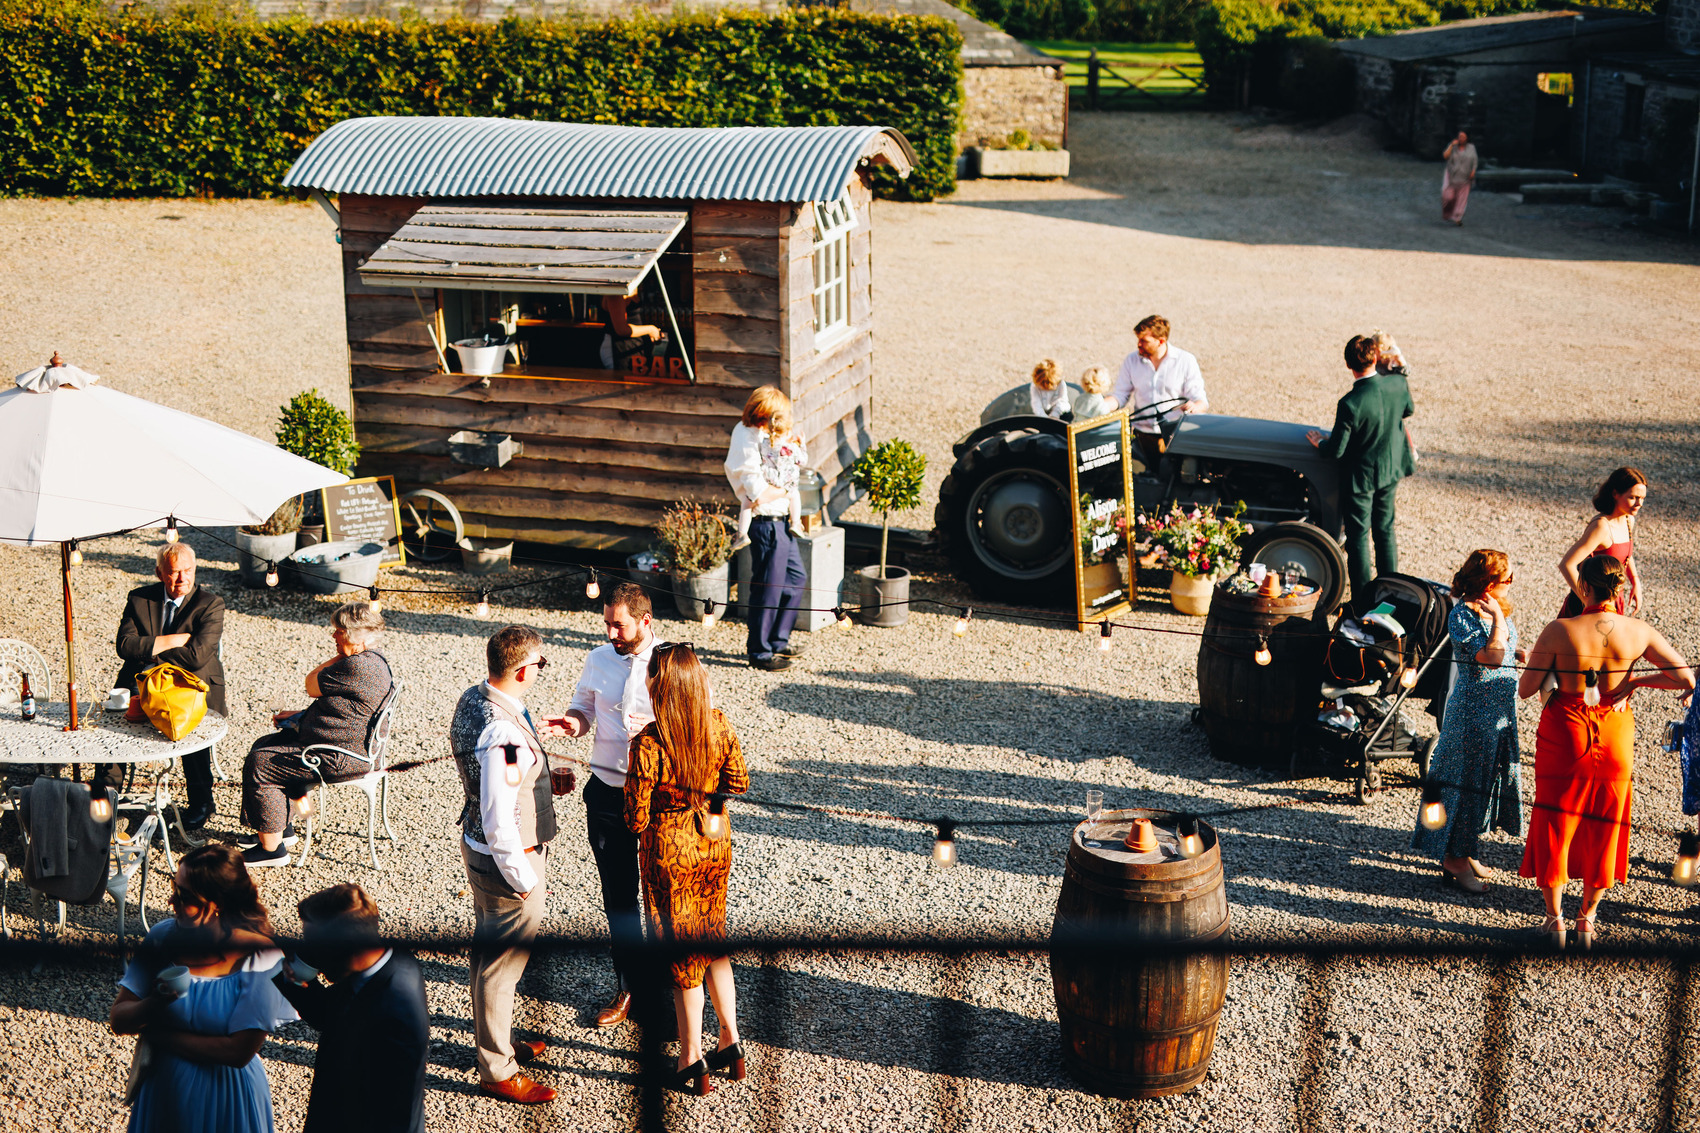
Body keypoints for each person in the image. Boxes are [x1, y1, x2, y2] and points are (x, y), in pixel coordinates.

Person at [1517, 555, 1694, 949]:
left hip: (1566, 729)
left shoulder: (1560, 630)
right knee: (1606, 822)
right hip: (1615, 733)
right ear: (1620, 589)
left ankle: (1554, 921)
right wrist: (1633, 684)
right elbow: (1685, 676)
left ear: (1584, 587)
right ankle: (1587, 920)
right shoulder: (1639, 630)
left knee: (1555, 820)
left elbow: (1526, 690)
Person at [623, 643, 750, 1095]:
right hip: (713, 843)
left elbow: (635, 815)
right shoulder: (718, 724)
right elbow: (739, 781)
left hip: (670, 852)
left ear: (661, 685)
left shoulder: (650, 742)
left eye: (650, 676)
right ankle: (731, 1040)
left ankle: (690, 1057)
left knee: (682, 955)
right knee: (713, 938)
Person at [109, 844, 298, 1133]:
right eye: (174, 887)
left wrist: (159, 1034)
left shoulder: (262, 956)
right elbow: (119, 1019)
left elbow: (239, 1052)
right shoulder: (162, 937)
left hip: (227, 1098)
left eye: (185, 896)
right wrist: (154, 1003)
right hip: (164, 1091)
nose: (171, 900)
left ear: (218, 903)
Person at [449, 624, 560, 1104]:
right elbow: (498, 814)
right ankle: (496, 1068)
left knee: (487, 957)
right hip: (505, 861)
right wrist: (522, 877)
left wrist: (543, 783)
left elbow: (499, 784)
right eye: (540, 664)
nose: (541, 671)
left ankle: (496, 1043)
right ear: (521, 669)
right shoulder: (505, 732)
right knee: (502, 968)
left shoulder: (474, 698)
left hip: (478, 848)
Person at [549, 583, 667, 1028]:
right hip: (606, 791)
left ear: (645, 620)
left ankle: (672, 989)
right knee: (618, 897)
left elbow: (696, 724)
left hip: (658, 796)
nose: (612, 632)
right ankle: (628, 987)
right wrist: (573, 722)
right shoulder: (597, 659)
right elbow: (583, 706)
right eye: (607, 624)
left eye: (619, 624)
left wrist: (654, 729)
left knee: (664, 898)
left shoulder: (672, 662)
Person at [237, 602, 394, 867]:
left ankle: (273, 851)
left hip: (339, 757)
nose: (333, 636)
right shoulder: (375, 660)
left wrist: (340, 656)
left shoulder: (355, 666)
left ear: (357, 635)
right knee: (266, 743)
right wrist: (300, 717)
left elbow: (311, 684)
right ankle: (281, 830)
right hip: (348, 746)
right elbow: (347, 707)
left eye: (339, 631)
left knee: (261, 763)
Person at [1410, 550, 1525, 893]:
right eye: (1507, 580)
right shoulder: (1463, 615)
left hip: (1497, 710)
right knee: (1463, 782)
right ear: (1488, 583)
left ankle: (1466, 847)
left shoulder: (1495, 610)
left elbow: (1504, 652)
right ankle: (1454, 862)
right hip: (1473, 713)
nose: (1511, 585)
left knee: (1484, 782)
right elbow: (1490, 659)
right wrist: (1501, 627)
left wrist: (1520, 652)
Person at [273, 884, 429, 1133]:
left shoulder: (396, 1008)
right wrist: (288, 973)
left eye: (314, 944)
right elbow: (326, 1015)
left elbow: (399, 1110)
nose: (310, 952)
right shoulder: (376, 961)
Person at [100, 542, 226, 829]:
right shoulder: (139, 598)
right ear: (159, 572)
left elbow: (197, 656)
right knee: (114, 729)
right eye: (174, 572)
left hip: (190, 684)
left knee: (189, 725)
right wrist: (174, 640)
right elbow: (124, 646)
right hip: (141, 683)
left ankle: (202, 802)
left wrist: (149, 647)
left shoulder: (210, 603)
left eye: (188, 570)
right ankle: (105, 797)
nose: (182, 579)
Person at [1306, 335, 1417, 596]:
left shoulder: (1350, 403)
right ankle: (1392, 590)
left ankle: (1363, 598)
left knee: (1358, 537)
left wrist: (1319, 443)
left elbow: (1336, 451)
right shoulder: (1398, 384)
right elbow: (1408, 410)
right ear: (1375, 358)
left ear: (1348, 365)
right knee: (1385, 529)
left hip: (1361, 478)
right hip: (1390, 469)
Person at [724, 386, 808, 671]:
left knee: (796, 580)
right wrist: (787, 488)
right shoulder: (745, 436)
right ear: (764, 413)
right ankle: (759, 652)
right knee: (768, 589)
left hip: (782, 520)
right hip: (765, 523)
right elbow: (757, 492)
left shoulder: (765, 432)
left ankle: (778, 640)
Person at [1110, 315, 1208, 470]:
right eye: (1138, 340)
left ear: (1161, 341)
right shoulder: (1131, 360)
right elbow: (1120, 395)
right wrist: (1100, 405)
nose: (1139, 345)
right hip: (1142, 436)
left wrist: (1194, 407)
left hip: (1174, 436)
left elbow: (1200, 400)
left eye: (1144, 341)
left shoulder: (1186, 361)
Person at [1558, 467, 1647, 618]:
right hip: (1592, 606)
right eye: (1633, 497)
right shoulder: (1601, 527)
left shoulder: (1628, 520)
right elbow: (1567, 564)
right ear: (1615, 494)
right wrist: (1587, 601)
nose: (1639, 503)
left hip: (1614, 599)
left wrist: (1635, 582)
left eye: (1642, 498)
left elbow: (1625, 554)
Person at [730, 395, 807, 554]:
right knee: (794, 495)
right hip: (769, 522)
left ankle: (742, 533)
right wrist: (786, 490)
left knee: (796, 578)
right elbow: (802, 461)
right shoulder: (789, 447)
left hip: (770, 479)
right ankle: (796, 522)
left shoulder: (765, 441)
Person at [600, 293, 664, 372]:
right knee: (623, 380)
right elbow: (621, 329)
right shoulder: (616, 291)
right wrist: (650, 329)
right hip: (620, 347)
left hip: (632, 345)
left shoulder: (632, 285)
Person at [1442, 131, 1477, 226]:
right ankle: (1448, 213)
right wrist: (1451, 146)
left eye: (1463, 137)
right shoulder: (1453, 147)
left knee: (1462, 198)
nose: (1461, 138)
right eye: (1459, 136)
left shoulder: (1471, 148)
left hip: (1465, 176)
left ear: (1467, 138)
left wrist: (1473, 172)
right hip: (1452, 175)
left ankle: (1458, 217)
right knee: (1448, 197)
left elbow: (1474, 160)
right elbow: (1445, 156)